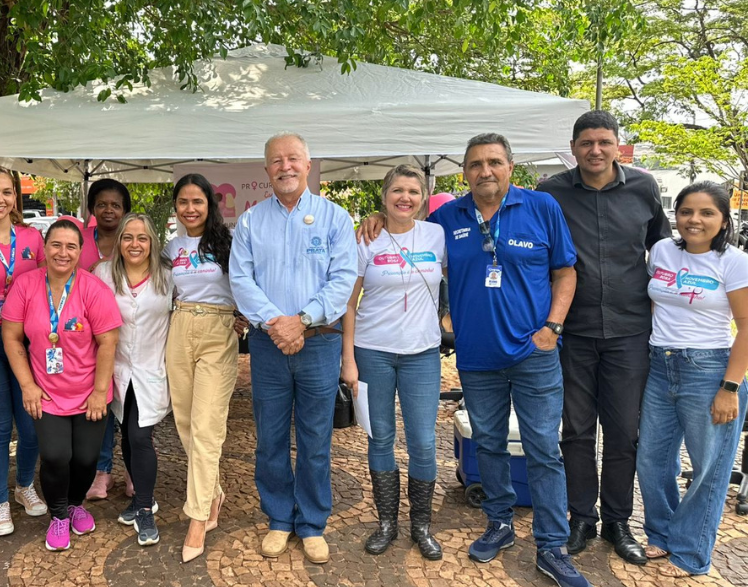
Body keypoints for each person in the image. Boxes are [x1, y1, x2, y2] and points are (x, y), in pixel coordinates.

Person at [428, 135, 591, 587]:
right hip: (477, 357)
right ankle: (499, 522)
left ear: (510, 167)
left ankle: (552, 546)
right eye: (476, 164)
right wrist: (377, 219)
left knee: (543, 449)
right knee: (489, 443)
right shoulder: (446, 217)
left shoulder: (541, 207)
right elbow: (407, 240)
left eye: (494, 162)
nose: (485, 171)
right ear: (465, 172)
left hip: (533, 354)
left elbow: (565, 272)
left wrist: (552, 328)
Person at [540, 111, 670, 564]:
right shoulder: (551, 192)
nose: (595, 150)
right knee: (575, 430)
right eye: (586, 143)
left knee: (623, 432)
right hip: (572, 331)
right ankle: (581, 517)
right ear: (573, 147)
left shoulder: (644, 187)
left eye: (604, 142)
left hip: (630, 331)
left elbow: (664, 248)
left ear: (617, 145)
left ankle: (617, 520)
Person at [230, 134, 358, 564]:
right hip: (268, 345)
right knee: (269, 438)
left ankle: (312, 523)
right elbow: (241, 280)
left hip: (320, 343)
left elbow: (343, 280)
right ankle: (280, 518)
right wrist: (278, 323)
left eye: (293, 159)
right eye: (276, 161)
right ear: (266, 169)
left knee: (315, 438)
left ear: (308, 165)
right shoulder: (250, 222)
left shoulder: (335, 218)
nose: (285, 167)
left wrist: (300, 320)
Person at [637, 181, 748, 576]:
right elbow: (656, 304)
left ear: (723, 220)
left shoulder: (734, 261)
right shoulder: (662, 251)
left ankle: (691, 552)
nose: (694, 220)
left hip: (709, 369)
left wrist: (730, 387)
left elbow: (746, 326)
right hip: (660, 365)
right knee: (652, 459)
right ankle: (662, 532)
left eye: (706, 213)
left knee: (708, 468)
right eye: (686, 211)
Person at [0, 218, 122, 553]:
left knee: (85, 459)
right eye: (56, 245)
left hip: (89, 392)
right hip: (46, 392)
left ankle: (75, 503)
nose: (62, 253)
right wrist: (27, 385)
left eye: (71, 246)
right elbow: (11, 338)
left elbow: (108, 342)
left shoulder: (94, 289)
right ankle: (58, 514)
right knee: (56, 456)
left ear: (80, 251)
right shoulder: (26, 285)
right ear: (45, 247)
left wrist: (99, 392)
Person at [343, 164, 446, 559]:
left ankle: (421, 526)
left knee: (423, 441)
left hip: (422, 353)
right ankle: (387, 522)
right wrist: (348, 359)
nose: (405, 198)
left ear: (423, 198)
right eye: (397, 191)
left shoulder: (436, 235)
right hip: (373, 352)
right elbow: (349, 304)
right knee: (380, 437)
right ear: (384, 196)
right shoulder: (365, 239)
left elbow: (458, 278)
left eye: (413, 192)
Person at [165, 173, 243, 561]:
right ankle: (212, 493)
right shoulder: (171, 247)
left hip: (218, 329)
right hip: (179, 327)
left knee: (207, 425)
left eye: (198, 201)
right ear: (176, 206)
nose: (190, 208)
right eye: (183, 201)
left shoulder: (229, 243)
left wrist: (244, 315)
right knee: (184, 421)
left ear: (211, 205)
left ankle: (197, 517)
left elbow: (247, 283)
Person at [0, 165, 47, 533]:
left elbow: (49, 284)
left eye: (7, 192)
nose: (0, 199)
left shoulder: (32, 237)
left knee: (32, 426)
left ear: (15, 196)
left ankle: (24, 486)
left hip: (28, 340)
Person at [94, 214, 173, 546]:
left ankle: (144, 507)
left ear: (153, 242)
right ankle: (141, 498)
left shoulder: (168, 276)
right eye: (128, 237)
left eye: (142, 238)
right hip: (116, 370)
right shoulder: (103, 274)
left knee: (140, 436)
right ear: (119, 241)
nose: (135, 244)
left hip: (152, 369)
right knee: (127, 435)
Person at [81, 178, 131, 500]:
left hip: (130, 336)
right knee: (100, 404)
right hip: (88, 339)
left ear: (125, 210)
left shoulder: (134, 238)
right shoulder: (80, 240)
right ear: (92, 209)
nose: (108, 210)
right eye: (101, 204)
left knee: (131, 405)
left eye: (115, 205)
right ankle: (102, 471)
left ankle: (134, 468)